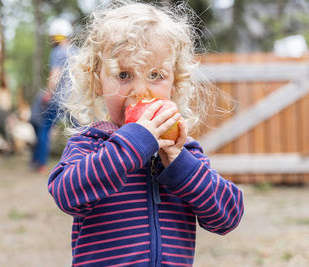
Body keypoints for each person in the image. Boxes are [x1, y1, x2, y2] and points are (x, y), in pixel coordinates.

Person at [47, 2, 244, 266]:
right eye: (124, 74)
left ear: (175, 83)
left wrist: (178, 161)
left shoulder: (184, 151)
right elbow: (66, 195)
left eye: (155, 75)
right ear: (97, 82)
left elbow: (227, 217)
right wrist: (131, 145)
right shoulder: (90, 144)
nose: (140, 91)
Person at [30, 18, 75, 172]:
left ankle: (40, 162)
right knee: (78, 129)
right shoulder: (76, 51)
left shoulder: (58, 51)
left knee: (44, 129)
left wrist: (48, 94)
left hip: (59, 99)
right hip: (75, 99)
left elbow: (55, 75)